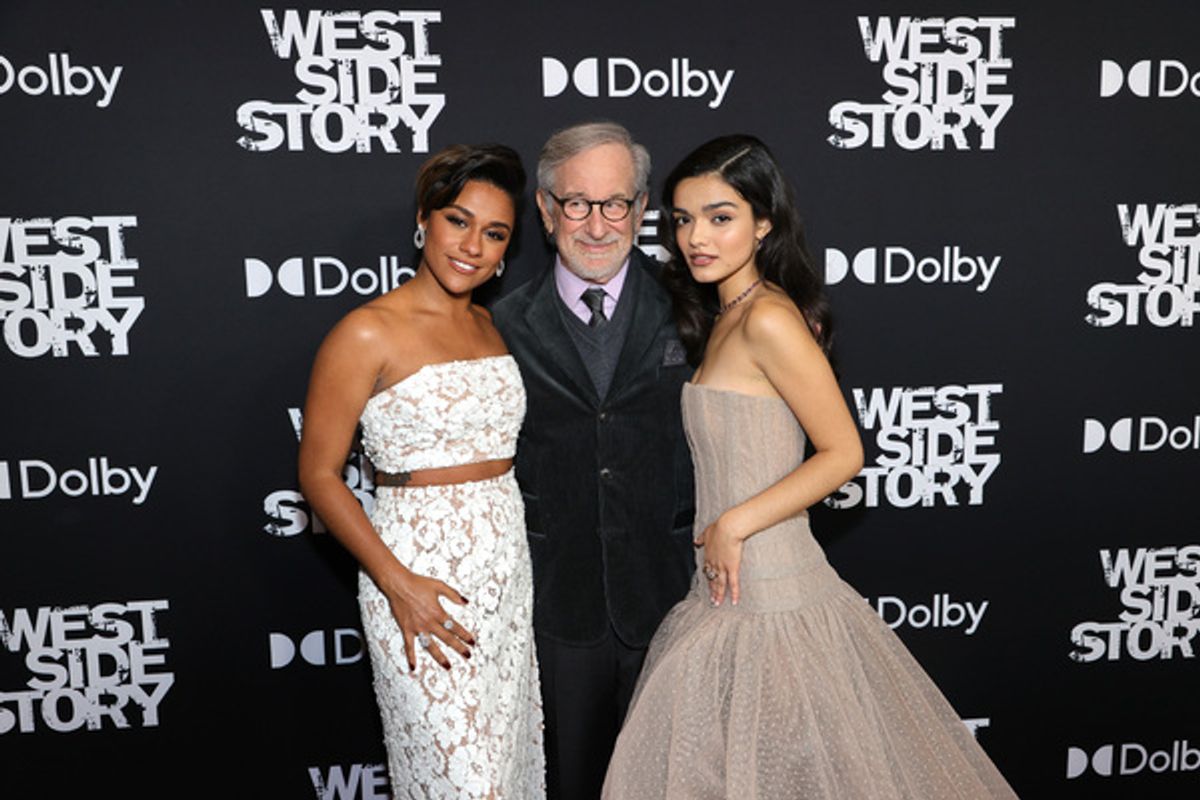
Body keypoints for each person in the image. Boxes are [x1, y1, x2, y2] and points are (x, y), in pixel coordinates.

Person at [602, 135, 1018, 799]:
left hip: (772, 592)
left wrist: (735, 523)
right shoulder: (728, 314)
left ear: (763, 223)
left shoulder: (768, 319)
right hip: (727, 591)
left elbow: (845, 453)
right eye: (682, 219)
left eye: (720, 217)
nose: (695, 238)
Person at [298, 144, 545, 799]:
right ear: (423, 219)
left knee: (506, 772)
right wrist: (397, 583)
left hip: (503, 574)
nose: (472, 246)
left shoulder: (491, 326)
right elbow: (319, 474)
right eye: (458, 221)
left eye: (495, 233)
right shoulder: (366, 333)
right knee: (464, 782)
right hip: (415, 574)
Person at [492, 121, 695, 800]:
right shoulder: (499, 326)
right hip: (557, 604)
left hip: (675, 594)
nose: (599, 225)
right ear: (546, 211)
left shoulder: (696, 310)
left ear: (641, 209)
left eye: (616, 203)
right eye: (578, 203)